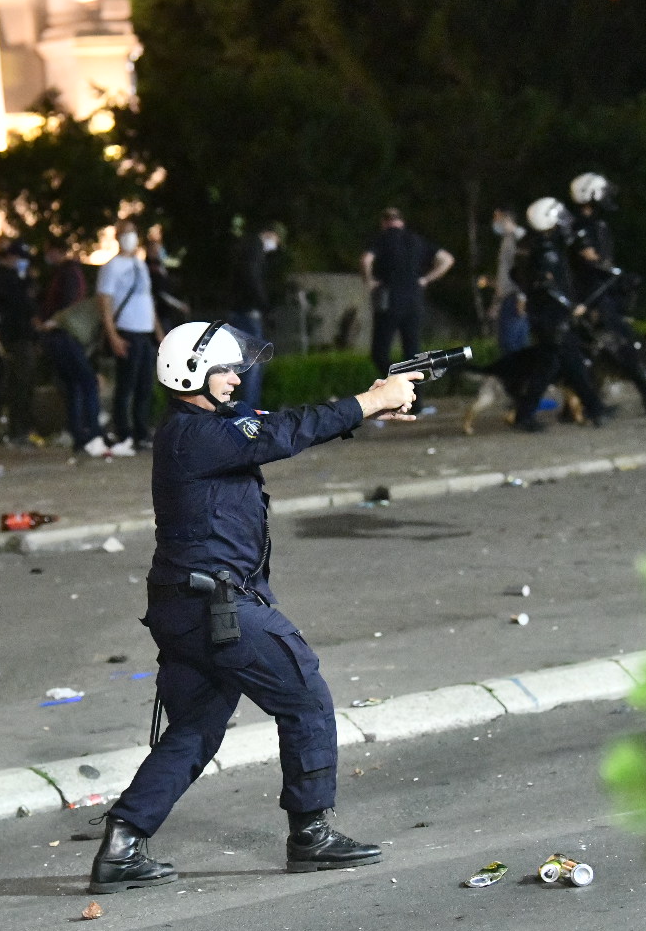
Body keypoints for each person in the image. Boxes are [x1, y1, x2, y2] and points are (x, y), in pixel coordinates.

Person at [88, 319, 421, 893]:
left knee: (196, 727)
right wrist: (371, 399)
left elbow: (280, 426)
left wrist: (367, 410)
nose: (237, 376)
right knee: (305, 694)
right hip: (215, 605)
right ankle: (311, 833)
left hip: (187, 603)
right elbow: (284, 432)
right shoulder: (195, 434)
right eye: (226, 368)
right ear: (191, 372)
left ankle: (122, 842)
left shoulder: (204, 428)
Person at [568, 173, 646, 415]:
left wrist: (618, 278)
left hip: (600, 294)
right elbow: (591, 260)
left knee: (597, 351)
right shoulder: (580, 226)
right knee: (624, 346)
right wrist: (617, 274)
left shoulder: (595, 224)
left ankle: (582, 407)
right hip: (593, 298)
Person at [508, 198, 611, 433]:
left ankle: (595, 408)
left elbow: (517, 275)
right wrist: (570, 305)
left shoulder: (528, 244)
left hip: (544, 315)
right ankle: (525, 415)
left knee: (565, 364)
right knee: (553, 366)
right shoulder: (545, 249)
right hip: (552, 317)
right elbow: (548, 286)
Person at [38, 239, 121, 458]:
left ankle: (79, 436)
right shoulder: (103, 307)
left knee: (75, 386)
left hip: (58, 339)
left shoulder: (84, 298)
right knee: (89, 385)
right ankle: (93, 433)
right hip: (68, 340)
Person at [361, 207, 454, 377]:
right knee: (412, 353)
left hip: (389, 299)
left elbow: (366, 260)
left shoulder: (382, 239)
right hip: (414, 299)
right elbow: (447, 259)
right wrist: (426, 279)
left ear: (383, 222)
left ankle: (396, 379)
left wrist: (370, 281)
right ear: (401, 222)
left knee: (380, 353)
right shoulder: (417, 240)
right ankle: (416, 400)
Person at [97, 219, 160, 452]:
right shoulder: (111, 267)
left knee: (144, 385)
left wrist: (158, 333)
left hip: (144, 333)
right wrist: (112, 336)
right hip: (126, 331)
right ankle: (123, 432)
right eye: (124, 233)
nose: (129, 237)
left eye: (132, 232)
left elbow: (148, 300)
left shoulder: (140, 265)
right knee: (126, 386)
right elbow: (104, 303)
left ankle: (141, 433)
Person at [0, 239, 41, 445]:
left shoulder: (20, 276)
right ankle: (16, 429)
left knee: (24, 382)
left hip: (24, 335)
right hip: (10, 336)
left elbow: (29, 305)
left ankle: (23, 427)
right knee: (15, 381)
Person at [228, 223, 283, 412]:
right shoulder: (255, 248)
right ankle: (250, 411)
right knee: (254, 362)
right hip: (248, 312)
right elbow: (253, 279)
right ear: (270, 234)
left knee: (246, 362)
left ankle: (246, 408)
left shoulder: (247, 247)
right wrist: (265, 307)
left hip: (241, 310)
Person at [490, 208, 529, 357]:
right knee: (510, 344)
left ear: (506, 218)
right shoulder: (507, 239)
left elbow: (523, 270)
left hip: (515, 297)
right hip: (507, 297)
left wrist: (522, 298)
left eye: (497, 218)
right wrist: (496, 303)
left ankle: (519, 378)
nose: (494, 222)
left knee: (511, 344)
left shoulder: (518, 237)